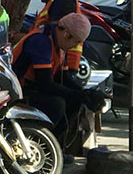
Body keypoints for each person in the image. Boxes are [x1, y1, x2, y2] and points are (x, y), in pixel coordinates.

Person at [11, 13, 104, 142]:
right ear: (66, 34)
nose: (75, 46)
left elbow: (64, 78)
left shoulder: (58, 42)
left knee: (75, 101)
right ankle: (38, 142)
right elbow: (45, 84)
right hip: (18, 91)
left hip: (33, 88)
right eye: (76, 42)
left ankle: (58, 145)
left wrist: (85, 93)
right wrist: (79, 95)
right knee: (57, 105)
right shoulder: (41, 41)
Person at [28, 0, 82, 74]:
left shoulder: (63, 3)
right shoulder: (54, 1)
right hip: (56, 65)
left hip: (63, 67)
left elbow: (54, 37)